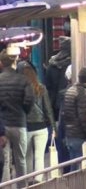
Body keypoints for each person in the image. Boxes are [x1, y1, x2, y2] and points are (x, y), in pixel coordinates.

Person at [18, 62, 56, 183]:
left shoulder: (20, 90)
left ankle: (28, 181)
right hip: (41, 127)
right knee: (39, 156)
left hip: (26, 128)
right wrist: (53, 127)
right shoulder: (41, 88)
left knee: (27, 156)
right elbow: (48, 109)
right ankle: (38, 181)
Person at [0, 50, 34, 184]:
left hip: (3, 124)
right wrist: (23, 111)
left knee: (5, 158)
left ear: (1, 63)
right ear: (14, 62)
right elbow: (29, 99)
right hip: (19, 123)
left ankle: (5, 185)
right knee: (21, 158)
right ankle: (22, 186)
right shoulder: (23, 80)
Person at [63, 67, 86, 171]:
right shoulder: (84, 94)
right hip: (79, 136)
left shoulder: (70, 90)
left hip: (70, 134)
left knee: (74, 165)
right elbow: (85, 118)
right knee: (79, 168)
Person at [46, 36, 71, 121]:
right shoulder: (71, 64)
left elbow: (48, 86)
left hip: (53, 103)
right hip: (67, 102)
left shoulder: (51, 64)